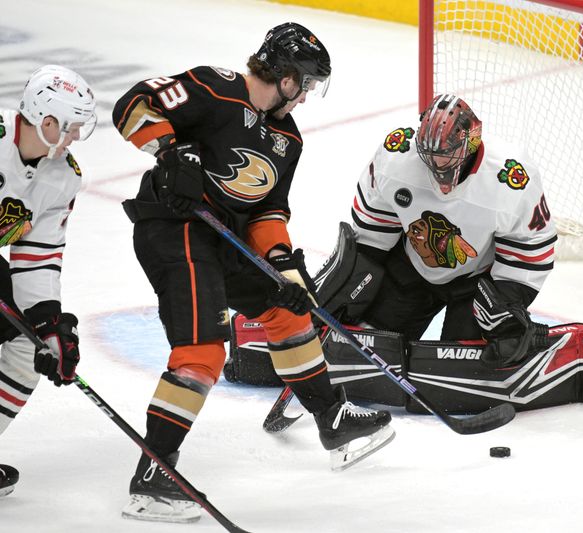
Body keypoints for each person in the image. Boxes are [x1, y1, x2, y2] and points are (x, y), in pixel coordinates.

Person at [112, 22, 394, 523]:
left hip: (225, 238)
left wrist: (285, 269)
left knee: (288, 313)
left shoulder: (288, 137)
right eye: (304, 84)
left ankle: (332, 418)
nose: (305, 97)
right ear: (284, 76)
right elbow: (133, 105)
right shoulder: (215, 87)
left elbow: (268, 213)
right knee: (201, 351)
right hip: (173, 228)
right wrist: (169, 151)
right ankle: (154, 474)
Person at [316, 93, 557, 368]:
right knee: (372, 346)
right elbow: (372, 235)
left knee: (463, 364)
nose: (437, 165)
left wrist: (506, 303)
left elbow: (531, 250)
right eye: (429, 155)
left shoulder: (512, 179)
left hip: (477, 283)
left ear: (472, 143)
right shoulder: (396, 156)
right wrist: (348, 281)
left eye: (446, 155)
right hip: (412, 270)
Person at [0, 65, 96, 497]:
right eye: (72, 127)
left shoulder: (63, 177)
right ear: (47, 121)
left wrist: (48, 323)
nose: (75, 137)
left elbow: (37, 257)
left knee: (29, 342)